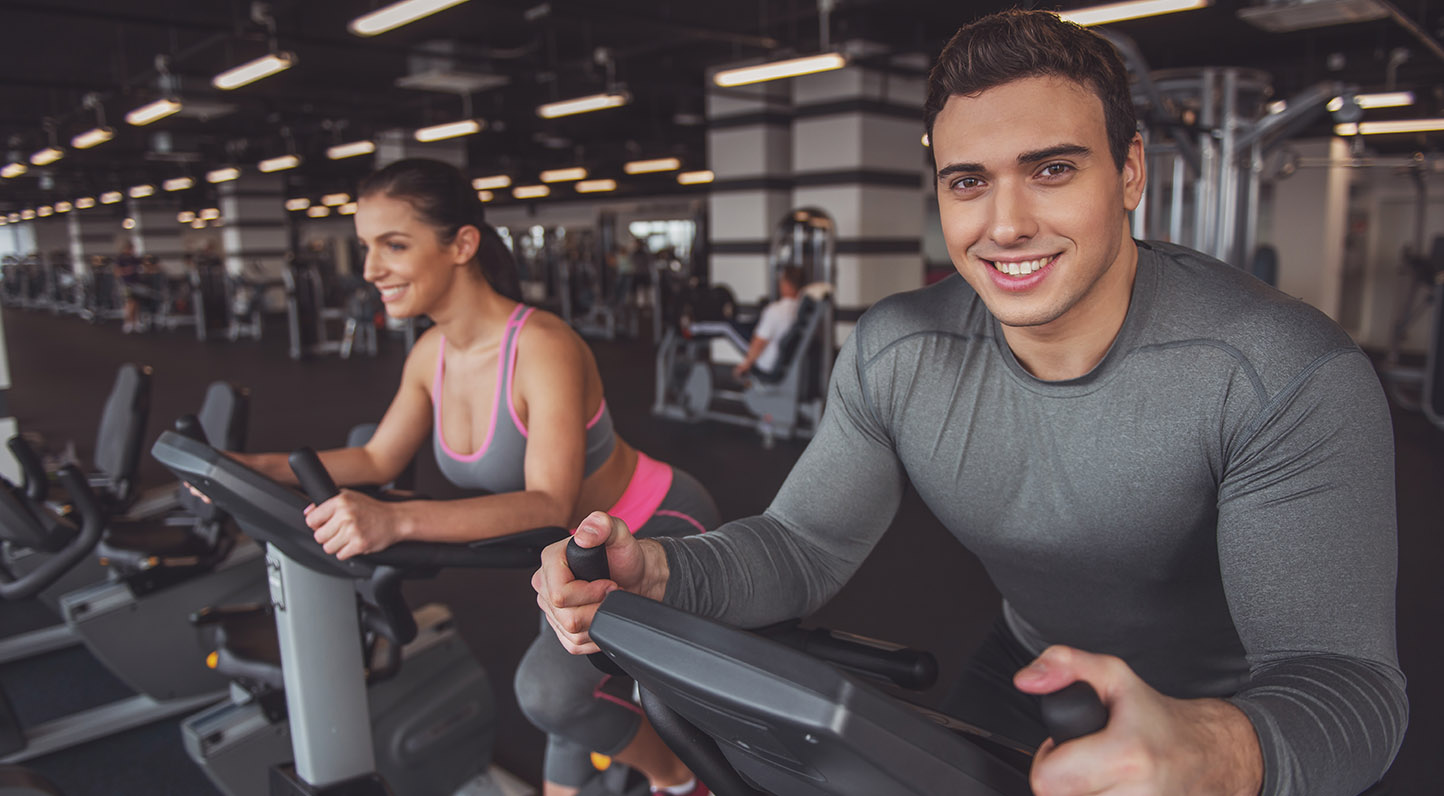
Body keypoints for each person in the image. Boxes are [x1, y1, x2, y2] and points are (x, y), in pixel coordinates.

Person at [534, 10, 1406, 796]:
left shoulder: (1278, 373)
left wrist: (1216, 750)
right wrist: (663, 572)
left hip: (1231, 710)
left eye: (1052, 169)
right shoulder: (898, 350)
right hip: (1032, 669)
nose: (1006, 223)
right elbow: (803, 545)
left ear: (1130, 171)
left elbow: (1343, 683)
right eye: (968, 182)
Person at [229, 158, 718, 796]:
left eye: (393, 245)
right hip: (569, 551)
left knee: (550, 693)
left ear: (462, 244)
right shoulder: (431, 353)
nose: (371, 268)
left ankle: (683, 778)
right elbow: (378, 459)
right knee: (568, 717)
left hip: (652, 523)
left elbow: (549, 501)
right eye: (366, 247)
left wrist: (395, 518)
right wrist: (248, 469)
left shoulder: (542, 346)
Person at [731, 265, 804, 381]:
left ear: (786, 284)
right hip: (783, 364)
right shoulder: (800, 310)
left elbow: (759, 343)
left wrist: (744, 366)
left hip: (766, 366)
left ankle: (693, 330)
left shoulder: (774, 310)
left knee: (727, 327)